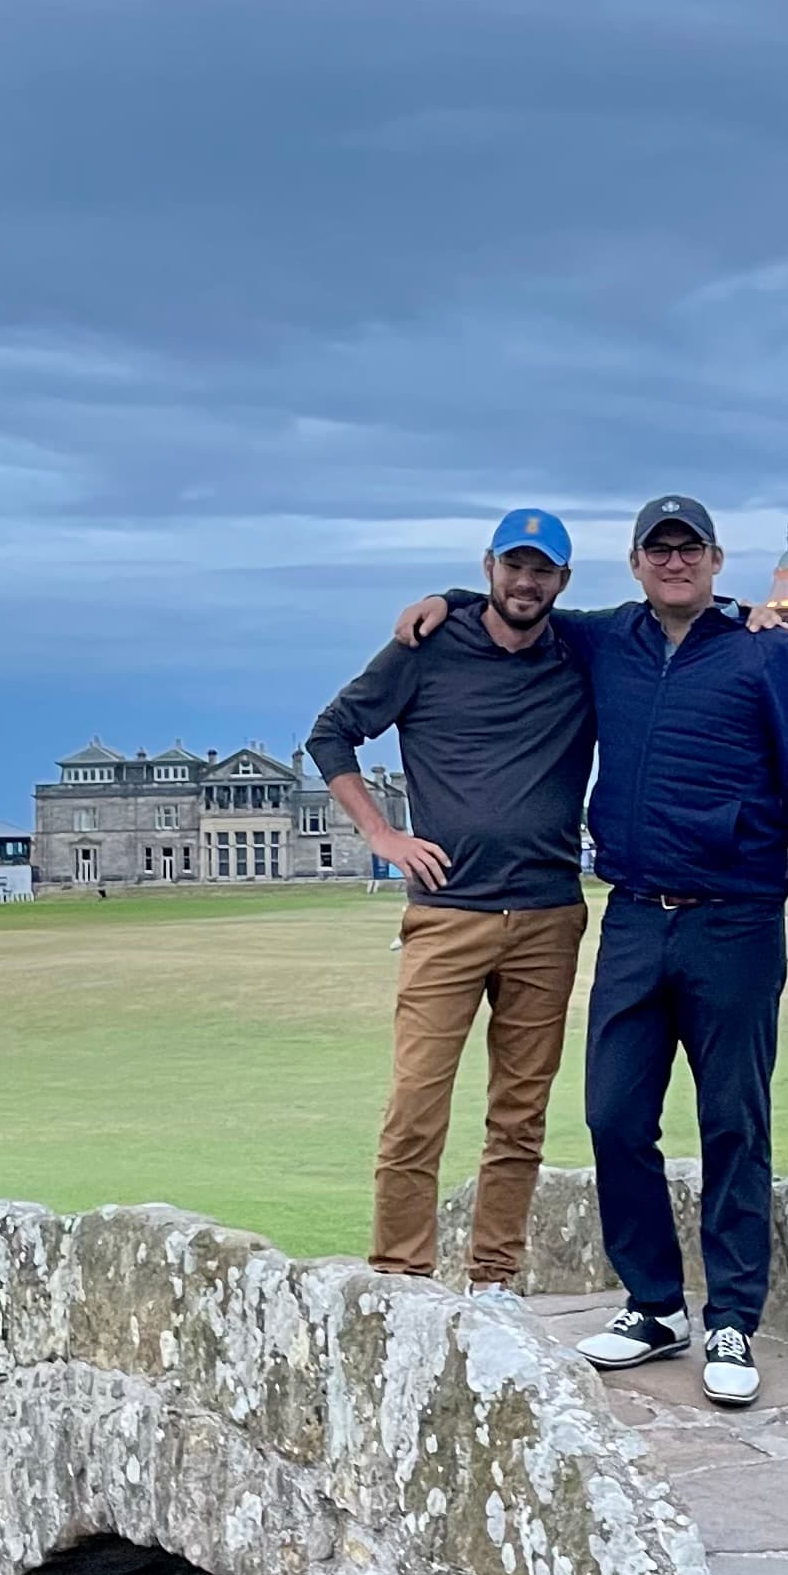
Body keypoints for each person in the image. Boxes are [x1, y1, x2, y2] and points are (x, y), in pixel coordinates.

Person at [397, 495, 788, 1407]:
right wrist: (448, 597)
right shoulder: (607, 640)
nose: (673, 563)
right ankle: (653, 1303)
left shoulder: (764, 652)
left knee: (732, 1122)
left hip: (735, 917)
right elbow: (524, 603)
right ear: (635, 564)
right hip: (637, 915)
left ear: (715, 561)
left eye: (689, 550)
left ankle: (729, 1316)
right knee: (611, 1116)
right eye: (657, 550)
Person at [307, 511, 594, 1296]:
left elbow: (667, 615)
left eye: (542, 571)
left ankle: (494, 1280)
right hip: (447, 915)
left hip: (547, 916)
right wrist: (382, 835)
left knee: (519, 1115)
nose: (525, 582)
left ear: (562, 582)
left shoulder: (581, 649)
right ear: (490, 566)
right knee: (415, 1105)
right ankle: (402, 1280)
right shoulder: (425, 648)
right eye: (512, 566)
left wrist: (749, 613)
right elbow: (331, 734)